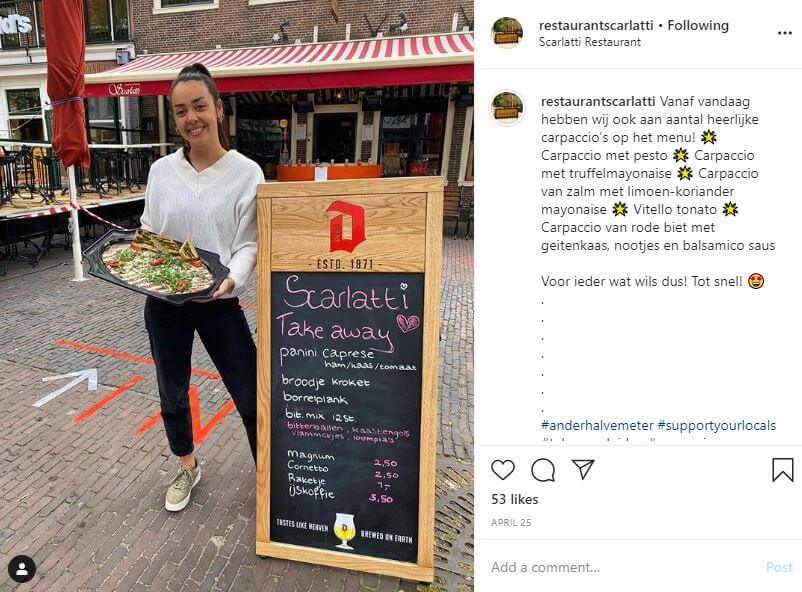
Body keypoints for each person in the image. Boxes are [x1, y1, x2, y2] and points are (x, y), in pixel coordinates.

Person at [139, 63, 263, 512]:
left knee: (250, 392)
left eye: (199, 106)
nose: (191, 118)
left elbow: (248, 243)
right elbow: (149, 230)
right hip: (165, 301)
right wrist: (139, 262)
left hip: (219, 301)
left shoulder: (247, 173)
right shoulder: (161, 171)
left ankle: (270, 476)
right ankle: (187, 465)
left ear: (218, 109)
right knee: (172, 391)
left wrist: (232, 278)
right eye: (180, 111)